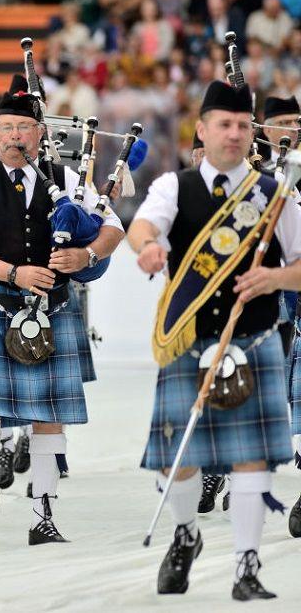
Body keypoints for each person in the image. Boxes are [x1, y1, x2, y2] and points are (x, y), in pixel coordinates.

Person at [128, 80, 299, 600]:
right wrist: (150, 249)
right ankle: (187, 533)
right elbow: (143, 227)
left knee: (252, 458)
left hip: (256, 336)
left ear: (254, 134)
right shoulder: (175, 186)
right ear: (201, 130)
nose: (234, 133)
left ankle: (246, 566)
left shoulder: (275, 194)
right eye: (224, 124)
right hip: (190, 337)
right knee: (177, 460)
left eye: (244, 125)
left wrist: (274, 279)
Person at [0, 88, 124, 544]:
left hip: (54, 308)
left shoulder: (65, 178)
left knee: (50, 417)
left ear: (40, 133)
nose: (14, 137)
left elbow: (112, 228)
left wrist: (85, 256)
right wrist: (12, 272)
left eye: (23, 127)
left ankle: (43, 514)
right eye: (5, 128)